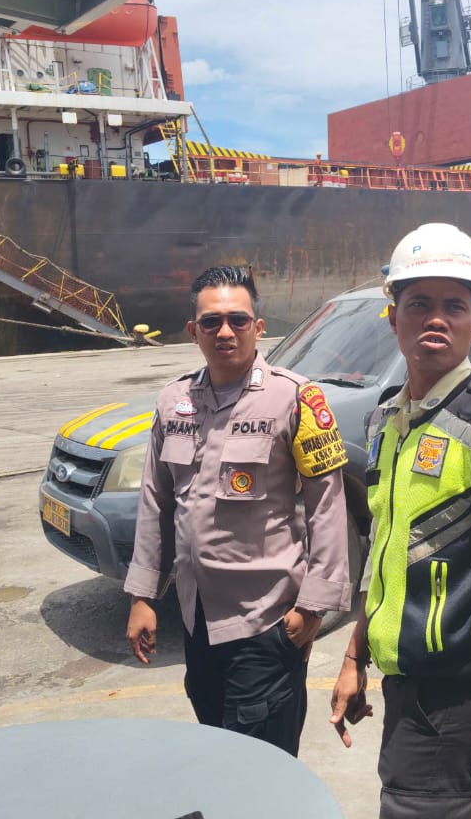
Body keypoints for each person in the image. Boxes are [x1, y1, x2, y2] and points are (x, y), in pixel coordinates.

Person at [330, 223, 471, 816]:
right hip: (408, 696)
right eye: (419, 304)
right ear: (393, 318)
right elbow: (386, 550)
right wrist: (356, 657)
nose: (436, 319)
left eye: (454, 306)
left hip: (459, 710)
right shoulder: (388, 421)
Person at [125, 265, 352, 756]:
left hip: (266, 621)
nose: (225, 331)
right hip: (197, 620)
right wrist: (143, 596)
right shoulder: (173, 402)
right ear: (193, 331)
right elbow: (156, 501)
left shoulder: (296, 399)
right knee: (219, 751)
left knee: (264, 763)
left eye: (238, 320)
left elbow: (328, 508)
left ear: (259, 327)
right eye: (211, 322)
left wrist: (312, 607)